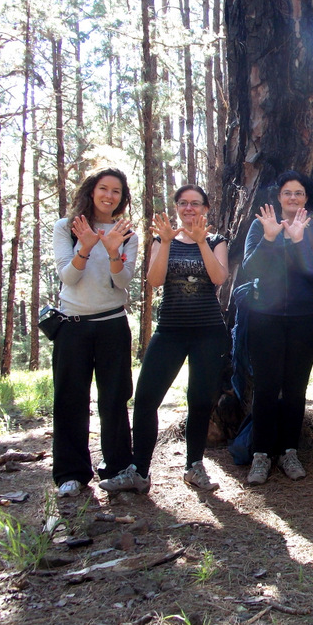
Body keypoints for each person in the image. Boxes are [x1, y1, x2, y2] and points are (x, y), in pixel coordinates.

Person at [99, 185, 229, 495]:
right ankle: (139, 470)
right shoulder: (162, 240)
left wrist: (201, 243)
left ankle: (194, 466)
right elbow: (154, 280)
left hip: (208, 332)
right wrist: (168, 242)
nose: (189, 208)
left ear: (206, 208)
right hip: (170, 331)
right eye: (183, 203)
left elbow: (219, 278)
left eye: (195, 203)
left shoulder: (216, 241)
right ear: (176, 207)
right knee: (145, 400)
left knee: (199, 401)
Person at [51, 166, 139, 498]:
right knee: (70, 399)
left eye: (116, 191)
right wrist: (85, 246)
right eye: (104, 188)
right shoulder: (68, 227)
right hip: (72, 327)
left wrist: (114, 250)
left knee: (115, 399)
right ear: (92, 191)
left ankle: (117, 468)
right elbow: (68, 278)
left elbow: (122, 281)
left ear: (122, 197)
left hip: (113, 326)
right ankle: (71, 474)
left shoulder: (126, 232)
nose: (109, 196)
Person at [242, 171, 313, 485]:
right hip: (264, 318)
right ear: (279, 197)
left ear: (307, 199)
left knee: (295, 388)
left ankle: (289, 452)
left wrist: (296, 242)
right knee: (265, 387)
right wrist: (269, 238)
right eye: (287, 193)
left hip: (305, 319)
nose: (293, 198)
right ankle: (261, 455)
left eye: (299, 193)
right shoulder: (260, 225)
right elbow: (250, 269)